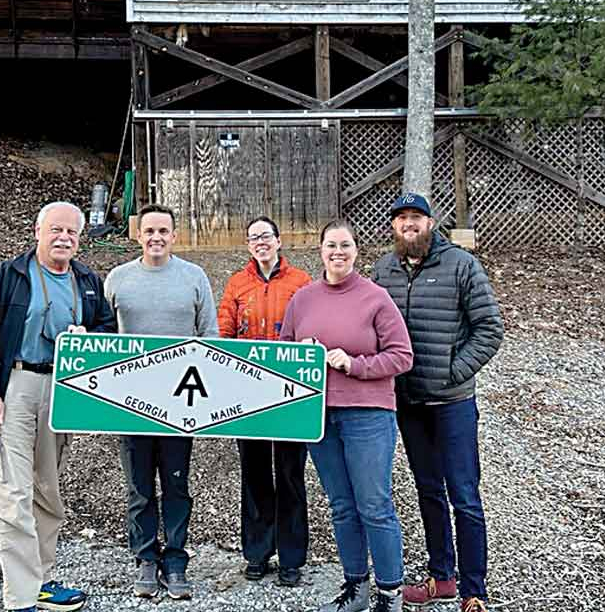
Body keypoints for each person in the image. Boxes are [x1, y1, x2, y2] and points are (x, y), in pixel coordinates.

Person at [0, 202, 117, 612]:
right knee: (13, 493)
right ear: (38, 231)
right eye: (56, 230)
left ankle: (42, 579)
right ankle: (20, 598)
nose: (64, 238)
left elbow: (107, 328)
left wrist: (90, 335)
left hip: (61, 389)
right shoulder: (8, 276)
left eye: (72, 232)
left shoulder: (86, 279)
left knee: (47, 492)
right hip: (14, 387)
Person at [371, 194, 504, 612]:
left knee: (464, 493)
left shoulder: (461, 265)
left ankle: (474, 589)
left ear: (431, 222)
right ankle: (441, 577)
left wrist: (451, 371)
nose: (408, 225)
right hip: (408, 401)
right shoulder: (383, 270)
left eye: (416, 217)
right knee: (427, 490)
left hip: (452, 402)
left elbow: (489, 329)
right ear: (393, 226)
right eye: (401, 218)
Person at [280, 219, 413, 612]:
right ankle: (356, 586)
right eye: (331, 245)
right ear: (320, 250)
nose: (338, 252)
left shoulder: (375, 298)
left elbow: (402, 356)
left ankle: (390, 592)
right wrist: (300, 353)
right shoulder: (302, 299)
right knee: (341, 504)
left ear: (356, 250)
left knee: (374, 504)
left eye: (345, 245)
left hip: (367, 415)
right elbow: (283, 354)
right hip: (319, 417)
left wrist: (354, 364)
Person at [104, 204, 219, 601]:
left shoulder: (194, 277)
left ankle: (175, 558)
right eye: (149, 230)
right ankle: (145, 557)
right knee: (138, 485)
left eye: (163, 231)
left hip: (179, 403)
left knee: (175, 483)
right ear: (139, 234)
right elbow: (101, 338)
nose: (156, 237)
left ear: (174, 235)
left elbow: (210, 337)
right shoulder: (119, 279)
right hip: (129, 401)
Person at [217, 216, 313, 587]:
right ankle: (257, 552)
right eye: (254, 237)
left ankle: (291, 557)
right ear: (247, 245)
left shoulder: (301, 282)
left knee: (290, 475)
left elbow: (312, 327)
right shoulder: (237, 284)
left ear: (279, 240)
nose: (261, 242)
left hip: (290, 393)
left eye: (266, 236)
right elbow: (223, 333)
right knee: (255, 474)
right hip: (247, 394)